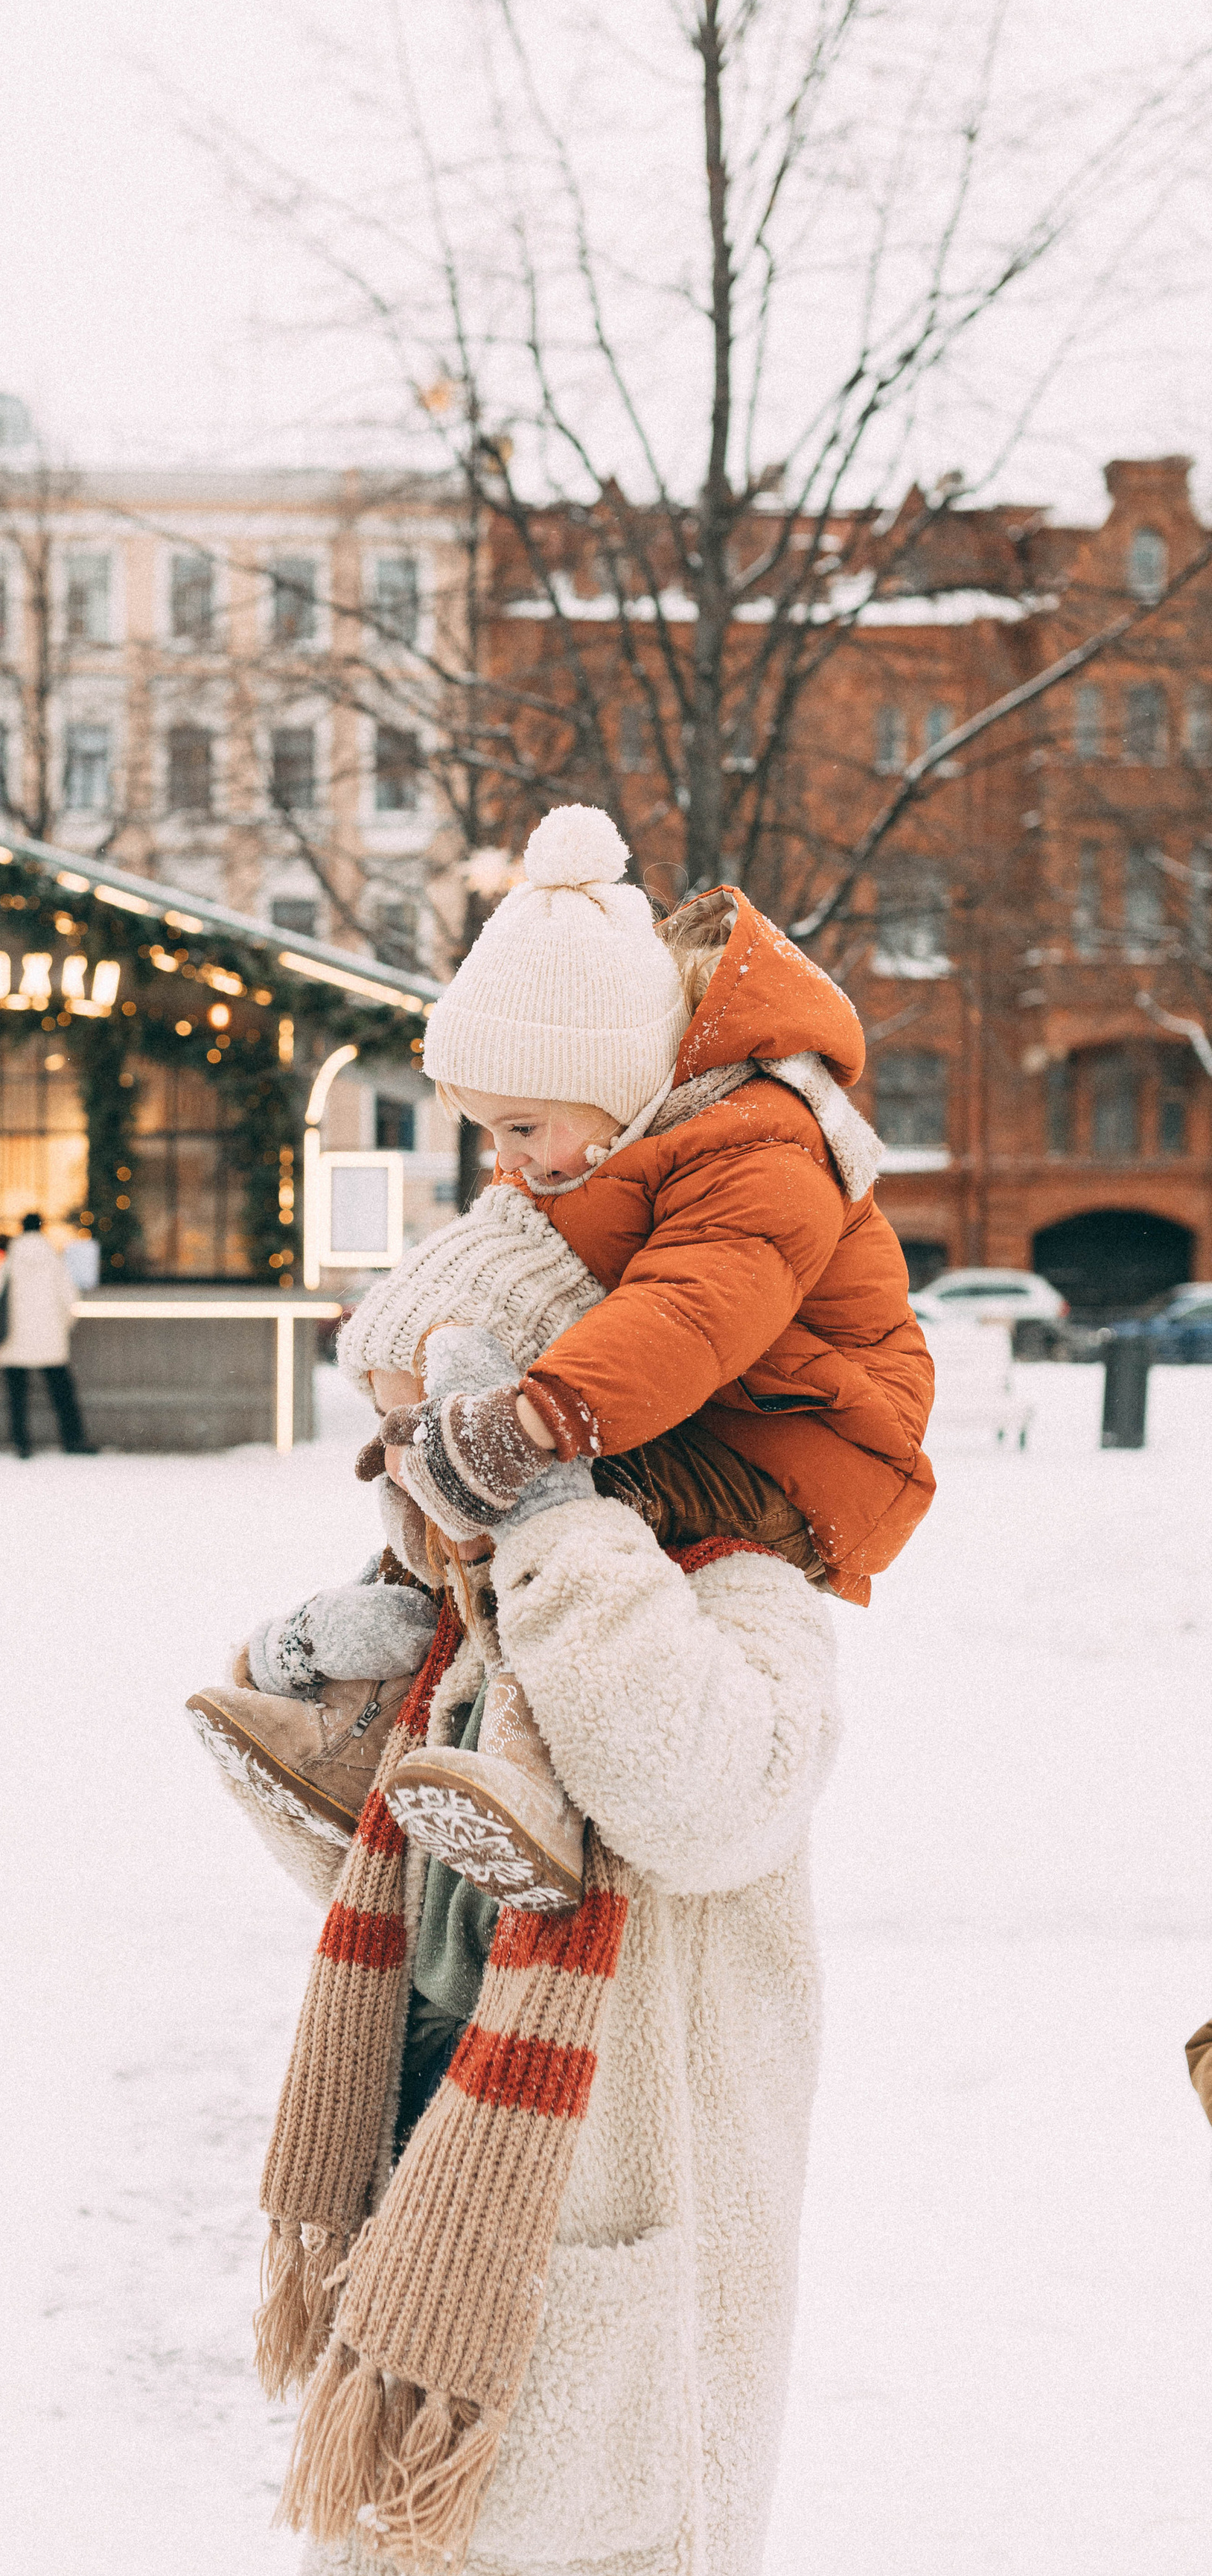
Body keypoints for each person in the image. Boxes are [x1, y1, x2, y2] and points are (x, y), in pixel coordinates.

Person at [197, 1443, 841, 2576]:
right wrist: (310, 1674)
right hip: (435, 2203)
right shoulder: (483, 1623)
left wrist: (553, 1528)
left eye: (437, 1430)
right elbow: (381, 1901)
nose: (409, 1471)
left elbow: (690, 1792)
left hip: (599, 2249)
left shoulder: (740, 1601)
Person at [332, 803, 930, 1904]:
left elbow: (689, 1313)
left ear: (615, 1089)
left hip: (806, 1447)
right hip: (715, 1412)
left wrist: (531, 1423)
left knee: (548, 1498)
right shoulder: (598, 1143)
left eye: (520, 1128)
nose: (506, 1159)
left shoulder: (760, 1145)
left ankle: (526, 1763)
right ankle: (366, 1699)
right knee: (468, 1487)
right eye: (489, 1132)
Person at [0, 1213, 95, 1457]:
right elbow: (71, 1299)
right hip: (50, 1340)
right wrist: (61, 1328)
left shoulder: (10, 1260)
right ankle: (73, 1441)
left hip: (14, 1340)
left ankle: (22, 1443)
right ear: (43, 1228)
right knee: (62, 1394)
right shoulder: (53, 1258)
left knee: (18, 1396)